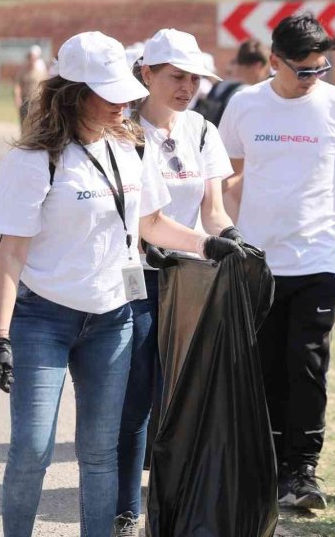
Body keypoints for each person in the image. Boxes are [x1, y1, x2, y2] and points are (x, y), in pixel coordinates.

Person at [0, 31, 244, 537]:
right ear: (73, 93)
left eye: (126, 90)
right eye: (110, 93)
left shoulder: (132, 150)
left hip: (113, 321)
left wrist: (212, 246)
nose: (125, 101)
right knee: (33, 450)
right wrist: (0, 337)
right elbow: (12, 252)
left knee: (101, 454)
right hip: (44, 321)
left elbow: (152, 225)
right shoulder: (35, 160)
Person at [219, 12, 335, 510]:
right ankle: (266, 467)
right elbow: (225, 180)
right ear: (273, 62)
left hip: (316, 259)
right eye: (304, 70)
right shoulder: (245, 105)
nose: (315, 78)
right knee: (264, 365)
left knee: (308, 365)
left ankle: (302, 470)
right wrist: (230, 235)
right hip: (257, 262)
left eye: (321, 68)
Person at [112, 28, 238, 536]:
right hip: (132, 276)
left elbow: (214, 210)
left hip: (190, 277)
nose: (187, 87)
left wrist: (236, 240)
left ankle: (170, 505)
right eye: (176, 76)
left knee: (180, 396)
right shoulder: (121, 130)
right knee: (136, 395)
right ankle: (126, 507)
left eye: (195, 79)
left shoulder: (203, 131)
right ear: (147, 74)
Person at [193, 39, 270, 127]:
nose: (266, 76)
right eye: (266, 71)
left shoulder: (221, 85)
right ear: (258, 66)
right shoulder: (249, 93)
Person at [13, 45, 49, 128]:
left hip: (37, 101)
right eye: (30, 58)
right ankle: (24, 139)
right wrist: (17, 97)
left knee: (36, 124)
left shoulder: (41, 71)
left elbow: (46, 85)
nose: (31, 60)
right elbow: (18, 84)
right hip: (25, 100)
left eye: (33, 58)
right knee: (24, 123)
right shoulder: (22, 71)